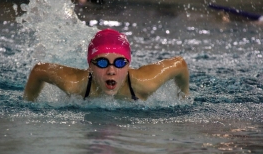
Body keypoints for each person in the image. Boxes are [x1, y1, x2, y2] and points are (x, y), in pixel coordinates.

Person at [23, 28, 189, 101]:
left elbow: (179, 64)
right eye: (102, 62)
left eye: (119, 62)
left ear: (129, 65)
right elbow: (39, 70)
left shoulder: (145, 83)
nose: (111, 70)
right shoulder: (74, 84)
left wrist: (184, 95)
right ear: (90, 67)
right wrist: (29, 102)